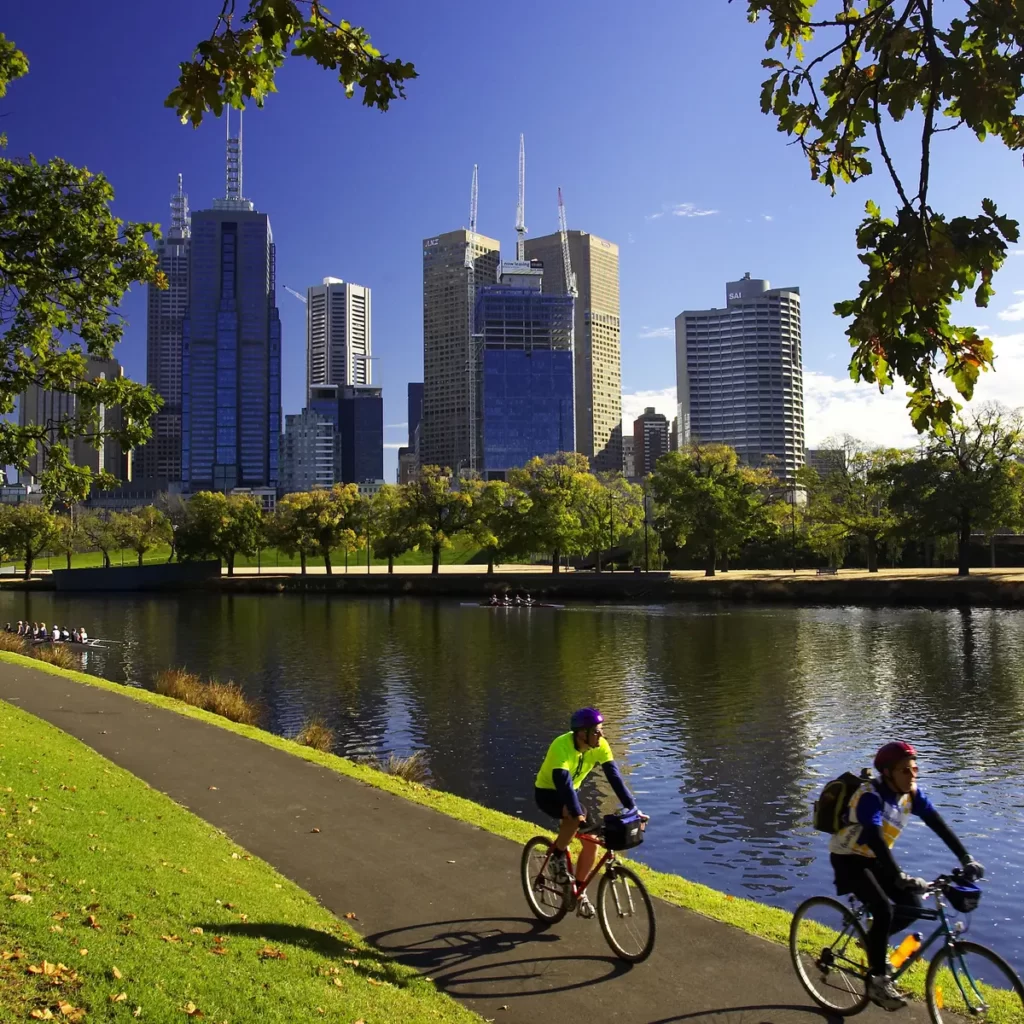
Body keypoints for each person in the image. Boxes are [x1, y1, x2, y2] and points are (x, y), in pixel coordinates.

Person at [829, 741, 984, 1010]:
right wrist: (900, 875)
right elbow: (876, 841)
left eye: (914, 768)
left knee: (912, 907)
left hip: (876, 859)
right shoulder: (870, 797)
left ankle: (872, 941)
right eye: (905, 770)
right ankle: (877, 980)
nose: (912, 774)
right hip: (849, 860)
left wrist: (966, 857)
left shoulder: (911, 794)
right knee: (884, 910)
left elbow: (938, 824)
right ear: (888, 773)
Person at [534, 707, 644, 919]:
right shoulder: (561, 746)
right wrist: (576, 811)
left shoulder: (600, 746)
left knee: (592, 841)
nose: (601, 735)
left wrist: (633, 808)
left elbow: (614, 777)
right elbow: (562, 782)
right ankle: (557, 856)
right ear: (581, 733)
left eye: (601, 730)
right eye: (596, 731)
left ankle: (578, 891)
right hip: (548, 793)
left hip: (572, 791)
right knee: (574, 814)